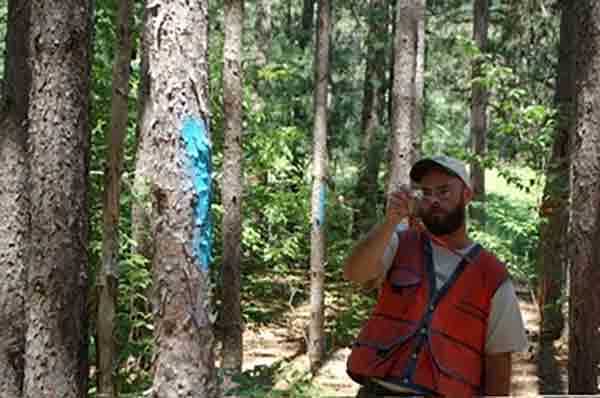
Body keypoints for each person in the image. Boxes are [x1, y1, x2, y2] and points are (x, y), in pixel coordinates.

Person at [344, 155, 528, 397]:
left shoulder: (492, 274)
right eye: (427, 192)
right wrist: (390, 222)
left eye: (444, 191)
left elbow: (499, 363)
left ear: (466, 195)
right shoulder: (399, 241)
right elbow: (354, 273)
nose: (434, 200)